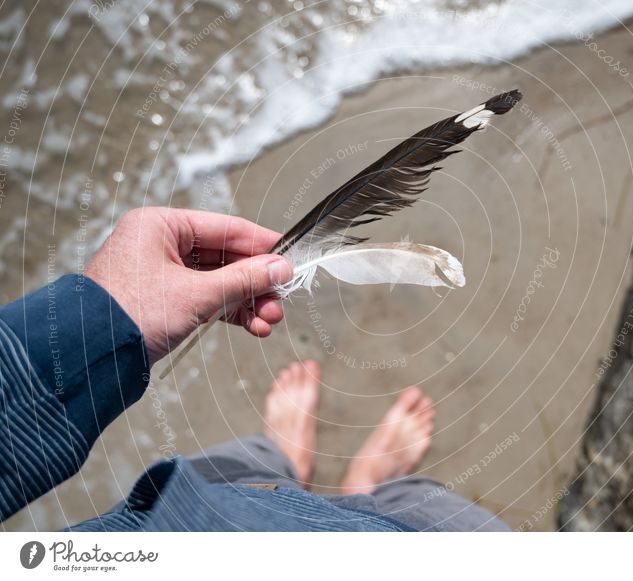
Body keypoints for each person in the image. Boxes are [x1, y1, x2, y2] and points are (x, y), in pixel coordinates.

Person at [0, 207, 509, 531]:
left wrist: (110, 318)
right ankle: (364, 488)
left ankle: (279, 460)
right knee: (425, 512)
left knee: (241, 471)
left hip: (178, 519)